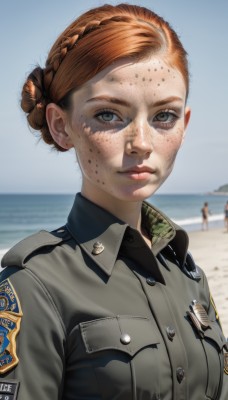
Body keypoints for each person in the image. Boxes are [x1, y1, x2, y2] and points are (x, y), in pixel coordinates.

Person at [0, 3, 227, 399]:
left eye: (164, 116)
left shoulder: (188, 274)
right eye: (108, 114)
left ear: (184, 125)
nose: (141, 143)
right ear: (61, 124)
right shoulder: (34, 285)